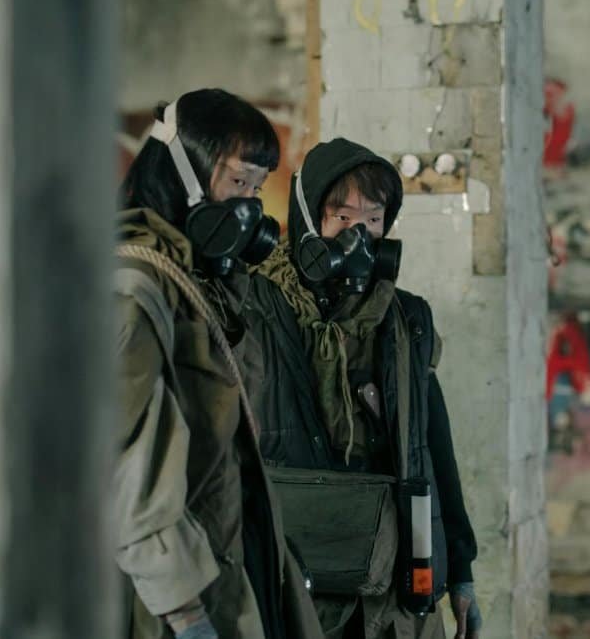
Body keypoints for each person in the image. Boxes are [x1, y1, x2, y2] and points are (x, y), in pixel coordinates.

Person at [241, 138, 481, 639]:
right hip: (293, 580)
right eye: (342, 217)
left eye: (373, 219)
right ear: (309, 220)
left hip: (390, 590)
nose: (359, 236)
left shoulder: (406, 320)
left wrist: (460, 572)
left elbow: (433, 449)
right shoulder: (251, 309)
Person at [113, 88, 322, 639]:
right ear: (184, 173)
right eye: (238, 183)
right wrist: (184, 613)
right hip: (173, 601)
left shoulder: (201, 283)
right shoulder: (136, 288)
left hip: (231, 563)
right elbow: (127, 468)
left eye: (258, 188)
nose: (251, 206)